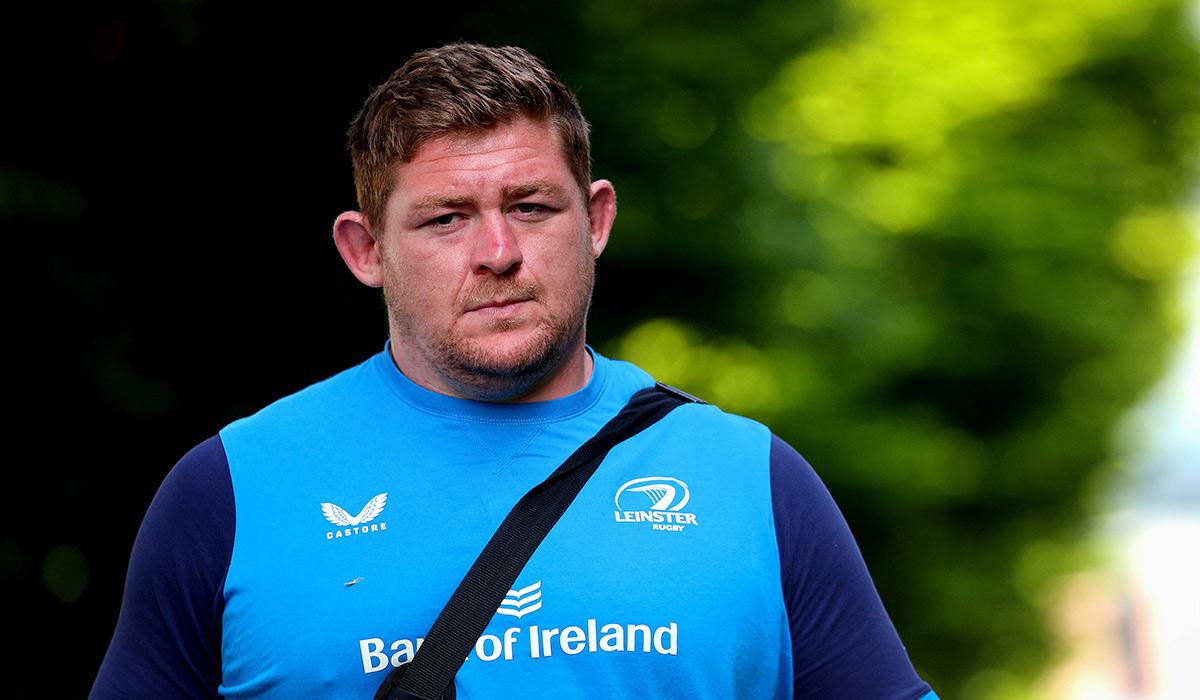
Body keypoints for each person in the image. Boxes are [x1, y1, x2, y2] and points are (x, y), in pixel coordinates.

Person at [90, 44, 938, 700]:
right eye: (446, 219)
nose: (497, 253)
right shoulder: (231, 490)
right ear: (365, 249)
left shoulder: (751, 480)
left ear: (596, 220)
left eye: (531, 207)